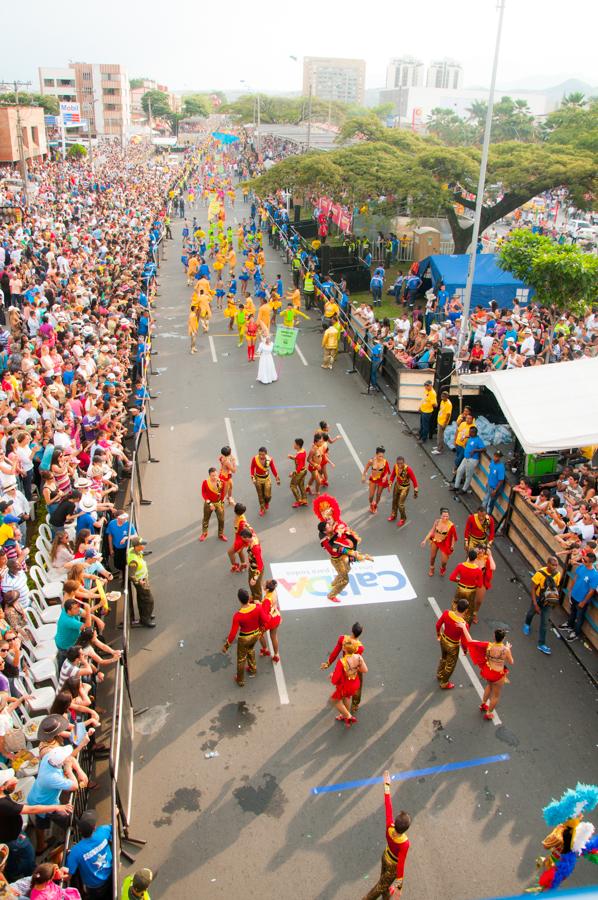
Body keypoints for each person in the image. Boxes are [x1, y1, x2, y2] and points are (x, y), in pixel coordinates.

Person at [0, 768, 73, 882]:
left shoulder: (4, 798)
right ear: (2, 787)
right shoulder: (3, 804)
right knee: (28, 856)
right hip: (14, 838)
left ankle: (14, 875)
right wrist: (57, 807)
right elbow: (32, 809)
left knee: (13, 859)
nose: (15, 780)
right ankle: (33, 879)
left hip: (10, 835)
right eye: (10, 780)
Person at [362, 771, 411, 900]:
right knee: (380, 887)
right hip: (392, 866)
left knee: (384, 884)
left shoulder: (389, 826)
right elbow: (400, 865)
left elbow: (388, 804)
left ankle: (386, 896)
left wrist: (387, 785)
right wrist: (399, 888)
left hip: (385, 856)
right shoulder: (404, 843)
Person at [222, 588, 267, 687]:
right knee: (251, 649)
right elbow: (265, 619)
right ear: (248, 598)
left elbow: (233, 634)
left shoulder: (238, 616)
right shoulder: (257, 607)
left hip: (244, 638)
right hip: (256, 635)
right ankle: (253, 668)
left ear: (239, 600)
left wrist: (226, 645)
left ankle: (240, 680)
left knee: (241, 659)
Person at [468, 628, 513, 721]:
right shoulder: (505, 650)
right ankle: (488, 713)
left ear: (494, 636)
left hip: (488, 671)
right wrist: (508, 648)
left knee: (489, 686)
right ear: (503, 638)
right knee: (496, 695)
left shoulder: (489, 645)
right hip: (498, 675)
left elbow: (473, 642)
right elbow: (511, 661)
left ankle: (483, 703)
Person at [320, 622, 365, 716]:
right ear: (361, 633)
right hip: (354, 668)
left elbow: (335, 652)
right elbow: (359, 661)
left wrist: (328, 664)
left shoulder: (343, 639)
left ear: (352, 630)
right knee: (357, 687)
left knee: (343, 690)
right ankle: (355, 704)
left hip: (344, 666)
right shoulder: (360, 647)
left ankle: (344, 710)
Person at [66, 810, 112, 900]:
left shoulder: (75, 851)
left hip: (94, 887)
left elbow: (69, 874)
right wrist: (115, 815)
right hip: (110, 874)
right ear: (94, 828)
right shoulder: (103, 831)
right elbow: (114, 827)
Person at [523, 557, 562, 656]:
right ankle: (527, 624)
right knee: (531, 612)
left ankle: (541, 643)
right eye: (553, 565)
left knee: (544, 623)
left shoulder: (558, 575)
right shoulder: (540, 573)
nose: (555, 567)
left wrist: (553, 601)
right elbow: (533, 588)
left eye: (556, 565)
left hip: (548, 601)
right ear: (547, 564)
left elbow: (556, 587)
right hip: (538, 598)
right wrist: (535, 604)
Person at [328, 637, 367, 726]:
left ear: (345, 650)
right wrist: (355, 668)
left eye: (343, 647)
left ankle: (348, 716)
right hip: (355, 683)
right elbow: (365, 670)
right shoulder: (359, 657)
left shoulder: (342, 662)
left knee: (334, 700)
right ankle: (344, 716)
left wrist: (332, 676)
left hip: (345, 685)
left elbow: (334, 680)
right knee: (347, 697)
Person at [561, 552, 598, 643]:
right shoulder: (581, 566)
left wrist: (584, 602)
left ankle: (576, 633)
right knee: (573, 611)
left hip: (581, 599)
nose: (582, 561)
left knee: (580, 617)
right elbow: (576, 578)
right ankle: (569, 624)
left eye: (585, 560)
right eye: (583, 559)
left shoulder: (595, 575)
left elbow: (591, 591)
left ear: (591, 562)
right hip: (574, 595)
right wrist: (570, 590)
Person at [435, 598, 472, 689]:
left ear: (456, 606)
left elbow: (438, 625)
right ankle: (444, 683)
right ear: (466, 610)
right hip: (453, 645)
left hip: (444, 640)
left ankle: (439, 674)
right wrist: (465, 650)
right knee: (450, 665)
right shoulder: (464, 624)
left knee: (443, 658)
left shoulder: (447, 613)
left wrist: (438, 635)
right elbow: (464, 640)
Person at [126, 538, 156, 629]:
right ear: (137, 546)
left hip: (143, 579)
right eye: (142, 545)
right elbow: (131, 575)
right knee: (148, 600)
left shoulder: (134, 551)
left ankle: (146, 615)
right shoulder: (133, 561)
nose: (144, 546)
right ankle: (145, 620)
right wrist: (139, 582)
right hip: (141, 581)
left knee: (142, 599)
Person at [449, 550, 484, 625]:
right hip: (471, 591)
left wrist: (459, 580)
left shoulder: (460, 565)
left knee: (456, 604)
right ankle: (465, 625)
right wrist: (473, 582)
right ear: (475, 558)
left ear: (468, 556)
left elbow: (452, 578)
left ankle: (453, 620)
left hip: (460, 589)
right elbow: (480, 585)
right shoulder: (478, 570)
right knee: (469, 609)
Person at [421, 508, 457, 577]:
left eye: (447, 516)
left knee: (444, 561)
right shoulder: (437, 522)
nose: (445, 518)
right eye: (443, 516)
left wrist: (452, 545)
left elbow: (453, 536)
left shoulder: (451, 525)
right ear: (440, 516)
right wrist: (425, 540)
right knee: (432, 557)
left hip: (444, 543)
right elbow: (432, 531)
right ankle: (432, 567)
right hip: (435, 541)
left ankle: (443, 568)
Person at [452, 427, 485, 494]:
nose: (469, 433)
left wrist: (475, 450)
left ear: (474, 433)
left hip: (472, 460)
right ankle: (456, 487)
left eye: (470, 432)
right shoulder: (470, 437)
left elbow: (484, 449)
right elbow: (467, 438)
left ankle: (464, 490)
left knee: (468, 475)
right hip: (466, 458)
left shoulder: (478, 440)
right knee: (459, 471)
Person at [388, 456, 418, 526]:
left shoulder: (408, 469)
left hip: (405, 488)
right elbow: (392, 476)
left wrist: (416, 490)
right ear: (396, 462)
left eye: (401, 463)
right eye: (398, 463)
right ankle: (393, 514)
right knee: (394, 501)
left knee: (400, 504)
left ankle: (403, 518)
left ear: (404, 462)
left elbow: (414, 480)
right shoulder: (395, 466)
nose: (399, 465)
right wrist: (390, 484)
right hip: (397, 485)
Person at [250, 447, 280, 516]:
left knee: (267, 495)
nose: (261, 456)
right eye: (259, 454)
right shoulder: (255, 459)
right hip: (258, 479)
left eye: (263, 455)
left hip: (267, 479)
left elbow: (273, 469)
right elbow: (252, 468)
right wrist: (252, 477)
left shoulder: (269, 460)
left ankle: (267, 502)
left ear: (266, 454)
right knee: (260, 495)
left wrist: (277, 477)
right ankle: (262, 508)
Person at [199, 467, 226, 543]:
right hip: (208, 504)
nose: (214, 477)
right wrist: (210, 504)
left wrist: (221, 503)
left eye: (215, 475)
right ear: (209, 475)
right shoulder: (205, 482)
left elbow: (223, 493)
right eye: (212, 475)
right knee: (206, 519)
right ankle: (204, 533)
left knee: (221, 519)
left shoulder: (221, 482)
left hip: (218, 503)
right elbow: (203, 493)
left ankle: (220, 534)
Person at [258, 579, 282, 663]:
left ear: (267, 589)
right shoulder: (274, 592)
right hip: (276, 616)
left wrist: (258, 605)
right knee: (274, 636)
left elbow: (264, 615)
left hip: (270, 619)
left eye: (264, 585)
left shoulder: (267, 599)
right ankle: (276, 655)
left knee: (259, 634)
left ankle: (265, 650)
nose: (263, 585)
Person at [362, 447, 391, 515]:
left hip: (381, 480)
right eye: (379, 456)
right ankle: (371, 504)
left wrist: (384, 477)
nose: (381, 458)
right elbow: (366, 468)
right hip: (373, 479)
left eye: (382, 456)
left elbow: (387, 472)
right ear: (376, 454)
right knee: (371, 497)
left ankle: (375, 505)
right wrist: (363, 476)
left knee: (378, 495)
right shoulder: (371, 461)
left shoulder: (384, 462)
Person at [484, 449, 506, 514]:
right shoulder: (492, 462)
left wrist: (495, 490)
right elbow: (491, 473)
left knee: (490, 504)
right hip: (489, 485)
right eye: (495, 456)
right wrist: (488, 481)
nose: (496, 457)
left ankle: (488, 518)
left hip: (494, 488)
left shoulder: (501, 467)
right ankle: (480, 515)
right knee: (485, 500)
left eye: (498, 456)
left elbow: (501, 480)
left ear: (500, 458)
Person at [288, 438, 308, 508]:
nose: (293, 445)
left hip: (299, 472)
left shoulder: (299, 454)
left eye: (295, 444)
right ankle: (304, 499)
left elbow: (299, 466)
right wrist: (292, 457)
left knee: (293, 485)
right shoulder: (303, 451)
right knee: (301, 485)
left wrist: (293, 473)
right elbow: (301, 460)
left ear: (298, 445)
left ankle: (299, 501)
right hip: (304, 470)